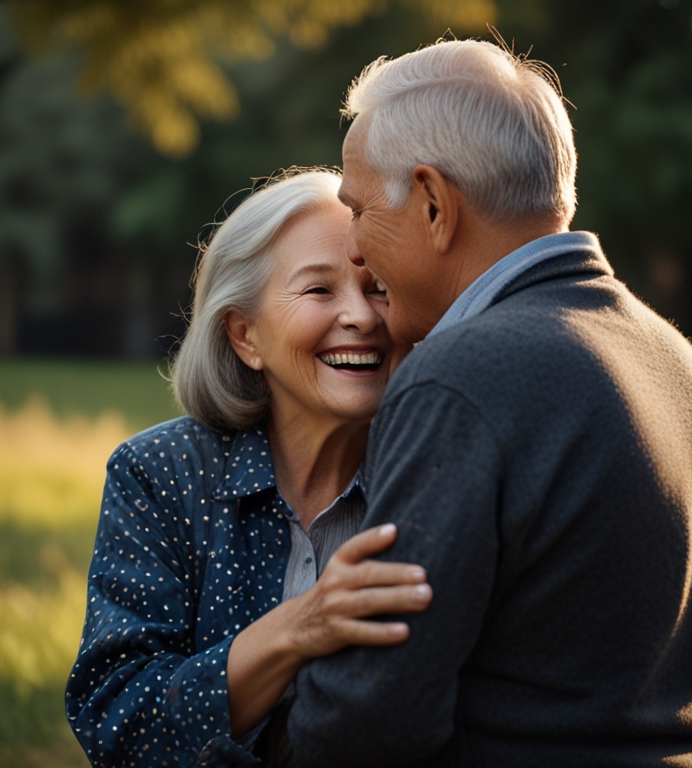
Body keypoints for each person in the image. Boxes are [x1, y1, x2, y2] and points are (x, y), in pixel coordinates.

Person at [286, 39, 692, 767]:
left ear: (434, 205)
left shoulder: (460, 376)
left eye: (361, 211)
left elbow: (373, 715)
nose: (357, 254)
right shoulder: (670, 355)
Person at [65, 169, 428, 767]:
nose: (361, 316)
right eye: (319, 291)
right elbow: (117, 718)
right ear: (244, 335)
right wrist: (300, 628)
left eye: (378, 288)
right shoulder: (161, 473)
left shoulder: (431, 474)